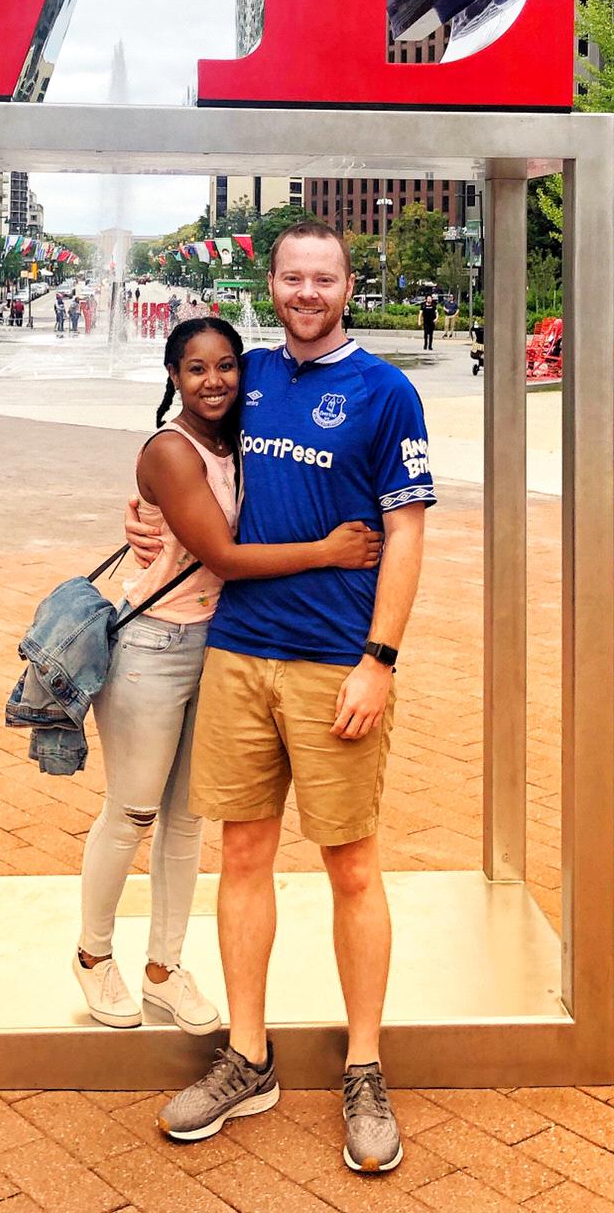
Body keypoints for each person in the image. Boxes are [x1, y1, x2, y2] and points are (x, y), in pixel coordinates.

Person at [130, 221, 434, 1175]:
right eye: (293, 277)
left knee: (350, 864)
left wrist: (379, 657)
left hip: (333, 660)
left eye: (324, 278)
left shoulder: (386, 392)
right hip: (238, 653)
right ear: (273, 283)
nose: (307, 292)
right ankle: (249, 1057)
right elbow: (182, 454)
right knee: (245, 854)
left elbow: (409, 532)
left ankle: (365, 1066)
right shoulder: (250, 374)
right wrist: (141, 509)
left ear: (348, 285)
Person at [75, 317, 382, 1036]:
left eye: (225, 366)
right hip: (153, 645)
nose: (213, 381)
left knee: (187, 819)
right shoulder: (172, 451)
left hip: (216, 643)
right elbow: (227, 554)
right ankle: (93, 956)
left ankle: (163, 967)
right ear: (172, 377)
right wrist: (330, 551)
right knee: (133, 810)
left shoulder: (237, 440)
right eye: (195, 369)